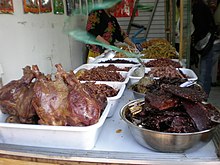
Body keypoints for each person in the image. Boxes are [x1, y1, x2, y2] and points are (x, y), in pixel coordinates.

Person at [191, 0, 220, 96]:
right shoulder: (202, 6)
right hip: (209, 41)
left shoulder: (198, 7)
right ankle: (203, 93)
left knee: (205, 70)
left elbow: (201, 27)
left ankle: (202, 95)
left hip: (208, 42)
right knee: (205, 69)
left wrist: (196, 39)